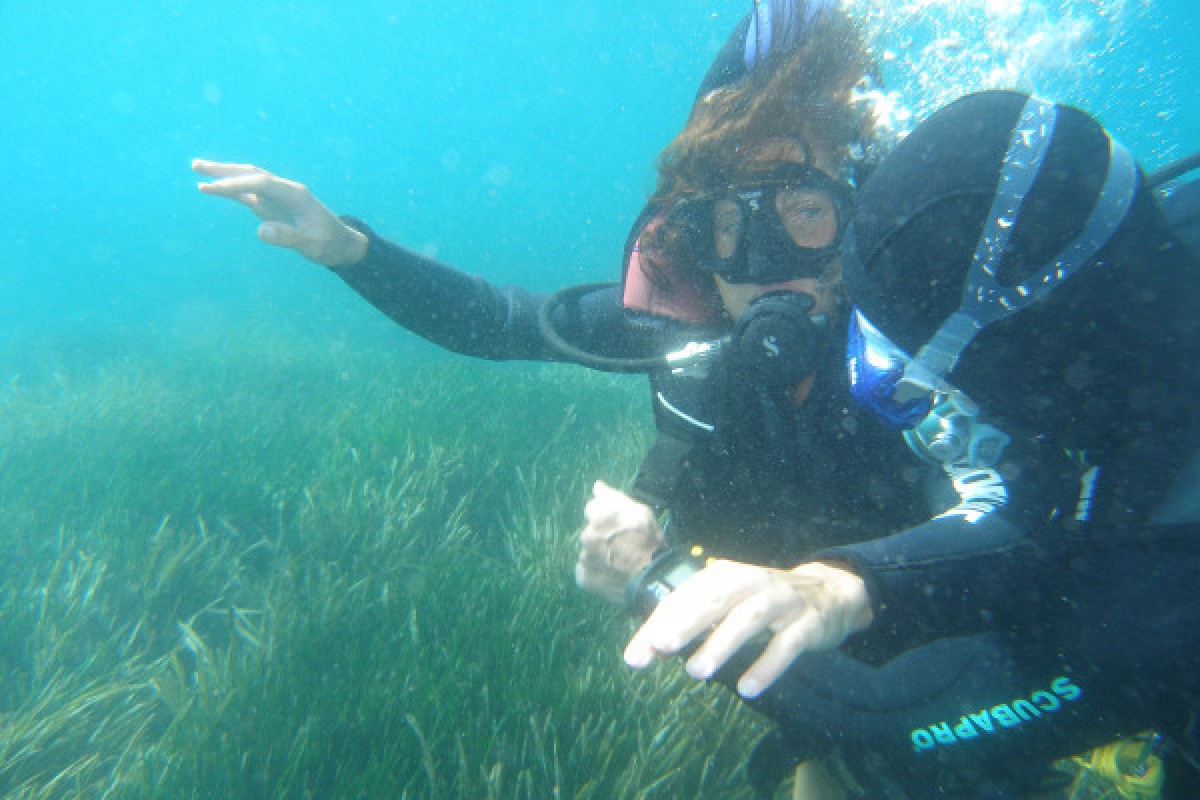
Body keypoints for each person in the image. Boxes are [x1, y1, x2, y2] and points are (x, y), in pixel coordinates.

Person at [618, 89, 1200, 798]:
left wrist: (653, 575)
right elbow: (1024, 512)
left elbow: (893, 720)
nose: (891, 391)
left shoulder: (1173, 565)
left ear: (1034, 349)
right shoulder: (1113, 343)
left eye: (917, 365)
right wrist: (851, 581)